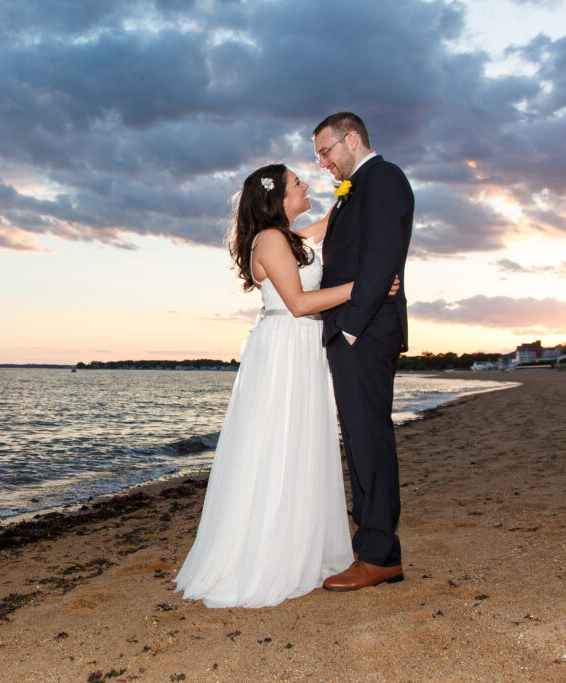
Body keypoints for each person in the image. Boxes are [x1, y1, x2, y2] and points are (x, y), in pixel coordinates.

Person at [174, 163, 398, 608]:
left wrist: (352, 185)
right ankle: (271, 554)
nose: (306, 185)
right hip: (284, 348)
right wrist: (366, 287)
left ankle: (302, 545)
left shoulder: (291, 238)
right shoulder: (271, 240)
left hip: (302, 349)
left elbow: (334, 221)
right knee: (278, 445)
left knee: (301, 445)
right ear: (277, 198)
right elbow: (297, 303)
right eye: (298, 183)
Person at [312, 112, 413, 591]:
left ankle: (378, 554)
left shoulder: (384, 178)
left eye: (326, 151)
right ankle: (373, 546)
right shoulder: (354, 189)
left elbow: (381, 256)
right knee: (357, 437)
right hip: (354, 328)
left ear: (351, 140)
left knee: (369, 436)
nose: (323, 162)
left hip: (366, 330)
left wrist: (349, 327)